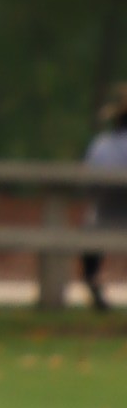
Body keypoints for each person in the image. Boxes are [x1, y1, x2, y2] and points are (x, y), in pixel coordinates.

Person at [82, 82, 127, 313]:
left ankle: (91, 278)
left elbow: (88, 185)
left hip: (103, 220)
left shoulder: (100, 146)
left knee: (91, 219)